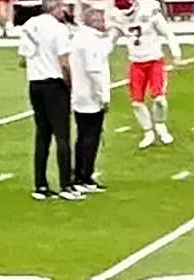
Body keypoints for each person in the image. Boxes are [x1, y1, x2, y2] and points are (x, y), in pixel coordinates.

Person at [18, 0, 80, 195]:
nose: (66, 11)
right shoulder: (58, 29)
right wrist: (69, 84)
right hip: (54, 83)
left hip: (35, 83)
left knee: (42, 135)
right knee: (62, 135)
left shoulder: (29, 25)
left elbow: (22, 59)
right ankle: (66, 184)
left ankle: (41, 184)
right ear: (54, 7)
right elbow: (64, 62)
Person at [116, 0, 180, 143]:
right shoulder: (117, 15)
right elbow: (111, 38)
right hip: (136, 63)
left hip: (154, 60)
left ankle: (160, 125)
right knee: (137, 103)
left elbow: (167, 32)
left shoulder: (149, 9)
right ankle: (148, 132)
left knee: (159, 99)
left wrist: (176, 53)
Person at [69, 0, 114, 182]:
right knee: (91, 137)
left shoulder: (80, 38)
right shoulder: (90, 40)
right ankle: (84, 175)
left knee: (82, 136)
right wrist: (103, 95)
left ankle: (79, 173)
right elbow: (94, 69)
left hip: (79, 92)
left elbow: (103, 53)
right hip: (90, 95)